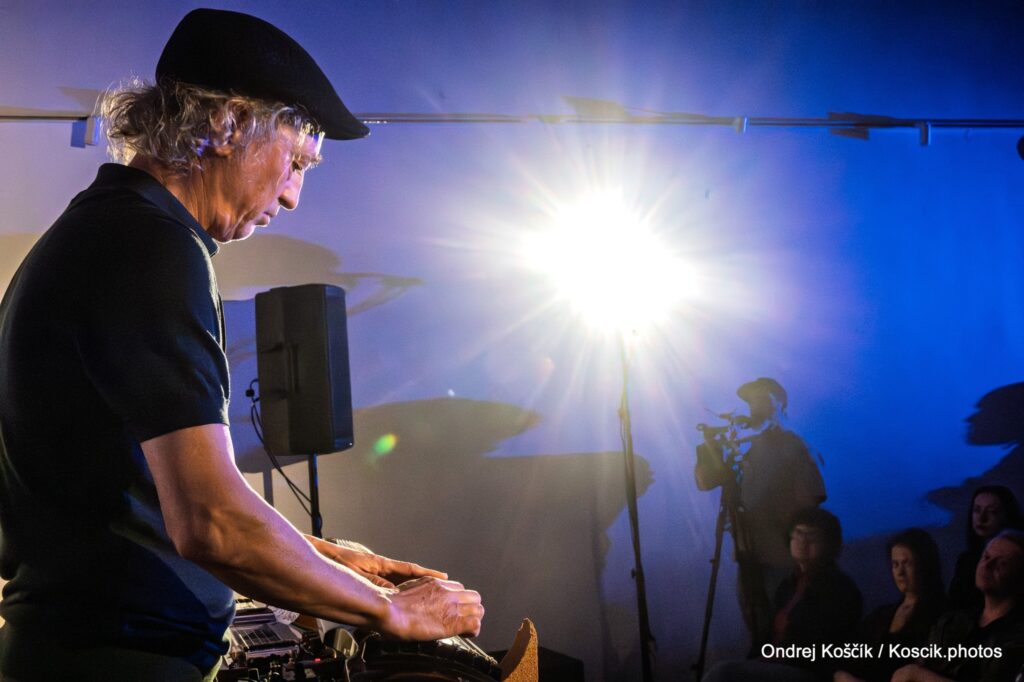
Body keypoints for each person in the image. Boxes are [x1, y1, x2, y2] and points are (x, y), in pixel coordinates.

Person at [0, 9, 483, 681]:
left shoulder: (106, 233)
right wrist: (390, 611)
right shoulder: (151, 248)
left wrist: (330, 560)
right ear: (228, 125)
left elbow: (139, 505)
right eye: (297, 162)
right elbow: (209, 522)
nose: (293, 196)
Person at [695, 377, 826, 644]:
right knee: (760, 635)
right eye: (751, 402)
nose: (755, 407)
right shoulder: (747, 449)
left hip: (784, 562)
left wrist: (801, 554)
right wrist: (709, 448)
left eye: (763, 400)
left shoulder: (796, 445)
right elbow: (705, 481)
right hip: (750, 558)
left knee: (789, 635)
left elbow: (811, 505)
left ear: (781, 405)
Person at [702, 507, 862, 682]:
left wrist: (783, 655)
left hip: (810, 670)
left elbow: (829, 644)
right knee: (726, 670)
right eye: (798, 533)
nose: (803, 542)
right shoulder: (788, 586)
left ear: (828, 544)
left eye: (812, 537)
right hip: (779, 664)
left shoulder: (838, 588)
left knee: (723, 673)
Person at [891, 529, 1024, 682]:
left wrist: (918, 674)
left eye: (1001, 564)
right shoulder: (951, 622)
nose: (987, 565)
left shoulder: (1017, 638)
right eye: (986, 557)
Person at [833, 528, 946, 682]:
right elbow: (848, 655)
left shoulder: (943, 618)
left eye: (907, 563)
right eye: (895, 564)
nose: (900, 572)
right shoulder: (881, 616)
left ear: (924, 564)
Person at [946, 485, 1022, 613]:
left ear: (1007, 515)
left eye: (992, 511)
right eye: (977, 510)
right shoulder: (966, 560)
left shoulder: (1016, 561)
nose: (982, 518)